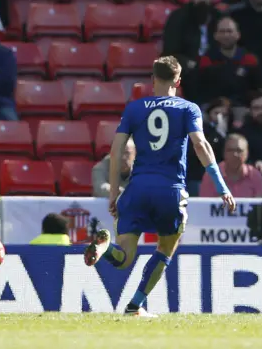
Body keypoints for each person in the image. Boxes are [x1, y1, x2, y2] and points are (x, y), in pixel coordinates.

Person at [83, 56, 236, 317]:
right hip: (170, 190)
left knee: (123, 258)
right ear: (178, 80)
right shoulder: (188, 109)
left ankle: (105, 248)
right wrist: (221, 185)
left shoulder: (134, 108)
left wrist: (112, 193)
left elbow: (117, 148)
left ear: (152, 80)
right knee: (165, 248)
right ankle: (135, 306)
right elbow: (201, 145)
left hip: (136, 189)